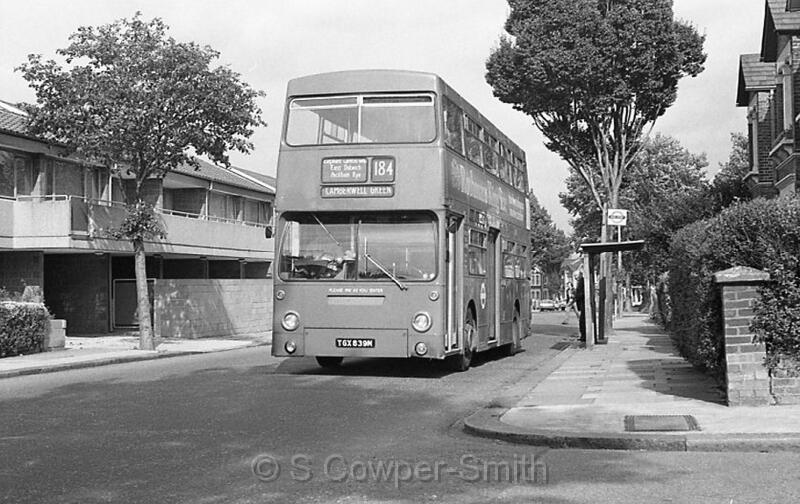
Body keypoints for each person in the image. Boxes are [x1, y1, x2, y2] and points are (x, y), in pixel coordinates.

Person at [574, 272, 586, 343]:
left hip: (583, 303)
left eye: (576, 276)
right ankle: (583, 335)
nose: (575, 277)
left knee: (582, 321)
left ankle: (584, 336)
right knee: (581, 320)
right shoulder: (580, 282)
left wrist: (576, 296)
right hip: (581, 304)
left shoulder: (582, 282)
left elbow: (581, 293)